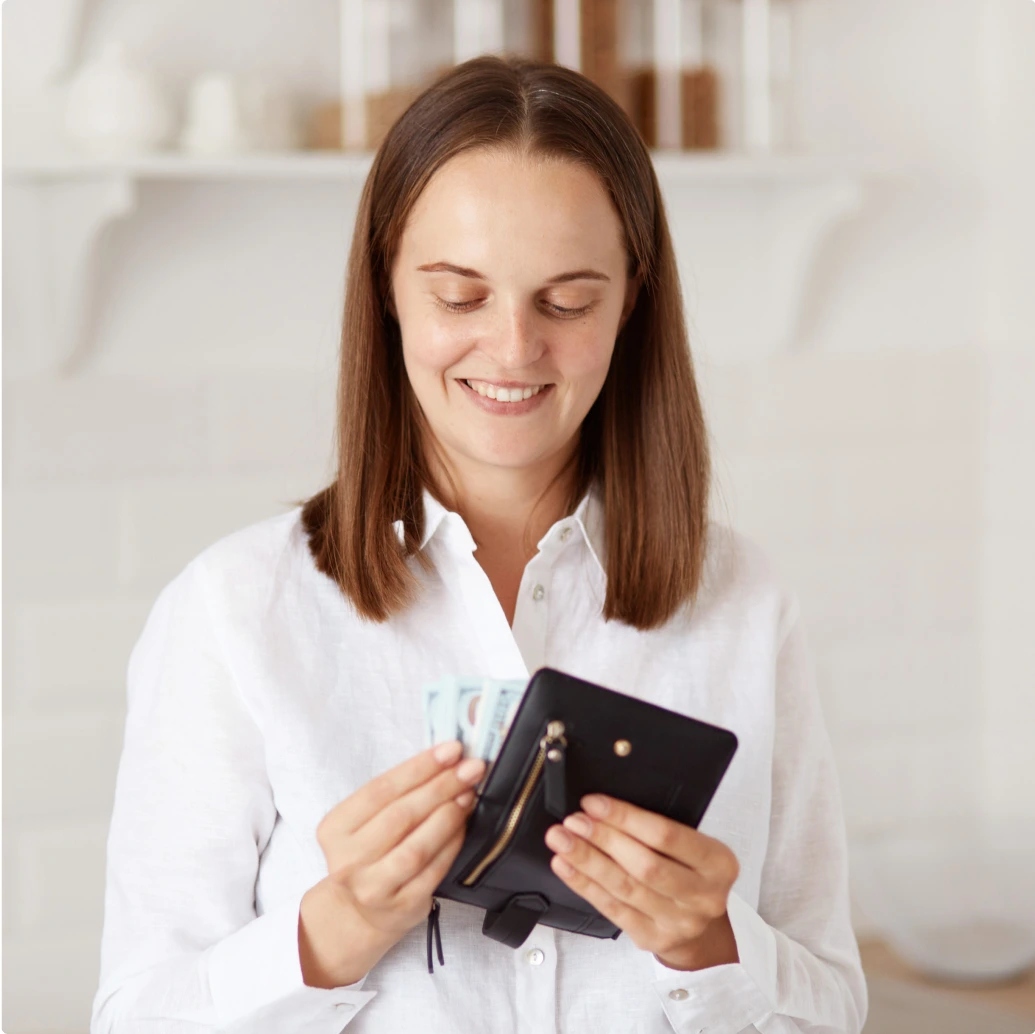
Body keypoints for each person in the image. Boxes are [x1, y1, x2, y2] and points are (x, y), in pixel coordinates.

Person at [91, 55, 868, 1034]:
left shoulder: (745, 601)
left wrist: (709, 944)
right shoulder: (237, 609)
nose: (511, 348)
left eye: (568, 300)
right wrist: (333, 929)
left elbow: (833, 1005)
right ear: (386, 287)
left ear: (633, 297)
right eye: (461, 295)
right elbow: (136, 1016)